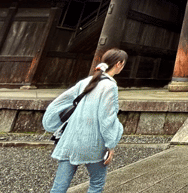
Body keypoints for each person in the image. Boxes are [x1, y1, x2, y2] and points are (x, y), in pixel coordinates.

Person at [43, 48, 127, 193]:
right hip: (93, 142)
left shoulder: (86, 81)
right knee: (96, 184)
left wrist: (51, 122)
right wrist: (111, 144)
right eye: (124, 64)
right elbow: (107, 118)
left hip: (70, 140)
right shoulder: (110, 86)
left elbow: (60, 102)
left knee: (59, 187)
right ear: (119, 64)